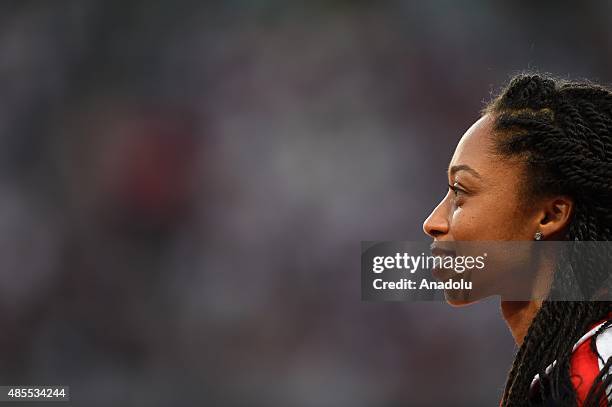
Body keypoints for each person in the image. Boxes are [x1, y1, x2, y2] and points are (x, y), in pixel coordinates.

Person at [422, 73, 612, 406]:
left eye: (460, 192)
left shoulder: (597, 372)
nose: (433, 223)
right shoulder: (568, 372)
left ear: (550, 215)